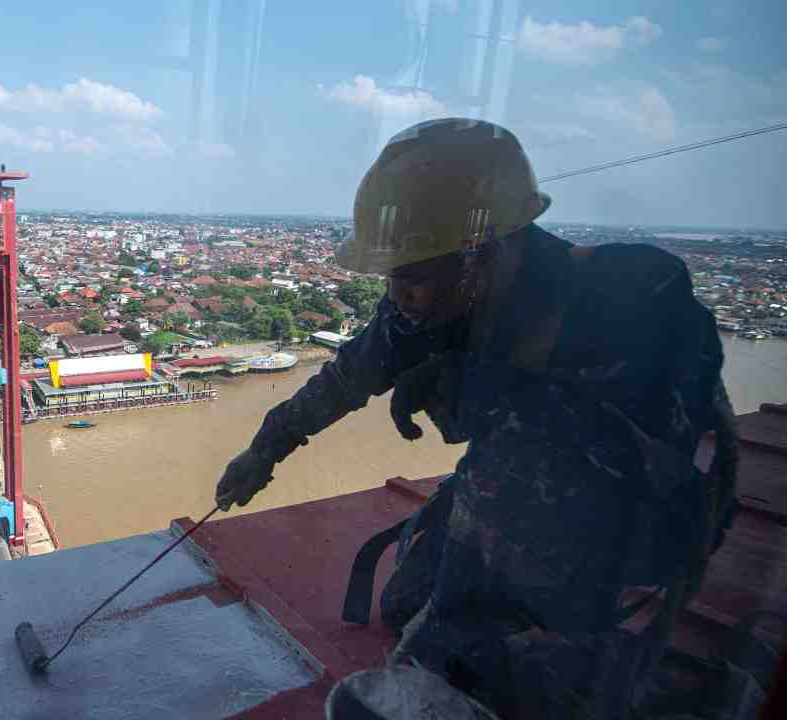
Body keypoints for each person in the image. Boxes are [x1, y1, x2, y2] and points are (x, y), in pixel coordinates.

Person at [214, 118, 738, 718]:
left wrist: (476, 384)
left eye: (409, 276)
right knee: (410, 600)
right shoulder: (440, 299)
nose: (396, 294)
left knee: (487, 655)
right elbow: (350, 375)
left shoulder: (630, 301)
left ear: (484, 254)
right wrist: (266, 447)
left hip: (650, 513)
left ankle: (667, 688)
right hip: (517, 487)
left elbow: (654, 455)